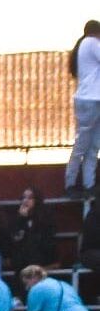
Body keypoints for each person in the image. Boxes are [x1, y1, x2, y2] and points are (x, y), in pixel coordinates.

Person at [67, 20, 100, 198]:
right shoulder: (91, 43)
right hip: (90, 99)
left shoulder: (86, 45)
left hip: (92, 99)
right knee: (84, 145)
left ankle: (88, 184)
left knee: (91, 145)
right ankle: (71, 183)